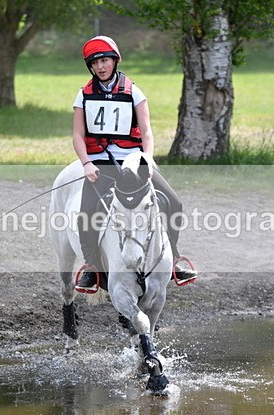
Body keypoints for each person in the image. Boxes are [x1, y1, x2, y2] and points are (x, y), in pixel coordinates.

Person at [72, 35, 197, 293]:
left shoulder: (134, 92)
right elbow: (77, 135)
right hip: (101, 163)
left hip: (133, 161)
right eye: (95, 63)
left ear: (114, 61)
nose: (100, 67)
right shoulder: (83, 95)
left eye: (104, 61)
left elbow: (147, 132)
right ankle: (92, 267)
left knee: (174, 202)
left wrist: (148, 160)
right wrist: (86, 163)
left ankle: (173, 259)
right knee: (86, 214)